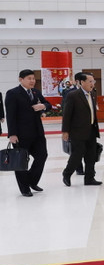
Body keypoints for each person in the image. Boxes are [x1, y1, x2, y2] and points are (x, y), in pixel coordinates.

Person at [4, 69, 52, 197]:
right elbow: (10, 115)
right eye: (29, 78)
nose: (32, 81)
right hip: (21, 134)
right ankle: (24, 188)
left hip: (37, 133)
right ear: (21, 79)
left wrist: (42, 106)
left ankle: (32, 181)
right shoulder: (13, 93)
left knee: (42, 156)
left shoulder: (36, 92)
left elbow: (48, 104)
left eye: (33, 78)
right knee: (21, 161)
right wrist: (12, 134)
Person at [61, 72, 102, 186]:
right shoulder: (73, 95)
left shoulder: (93, 94)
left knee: (91, 156)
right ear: (82, 82)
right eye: (90, 81)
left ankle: (89, 178)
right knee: (77, 155)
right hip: (77, 131)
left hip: (92, 130)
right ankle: (67, 174)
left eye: (93, 81)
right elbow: (67, 114)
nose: (92, 84)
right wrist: (65, 131)